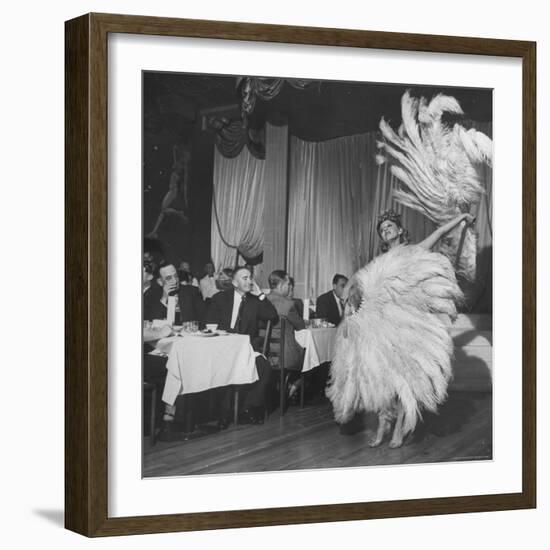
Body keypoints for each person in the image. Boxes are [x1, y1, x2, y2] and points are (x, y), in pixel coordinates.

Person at [326, 209, 472, 447]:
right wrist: (347, 302)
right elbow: (355, 279)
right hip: (381, 323)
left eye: (389, 227)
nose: (386, 231)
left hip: (406, 322)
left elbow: (441, 231)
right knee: (383, 376)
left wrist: (462, 218)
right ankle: (383, 424)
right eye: (382, 230)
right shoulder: (379, 262)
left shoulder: (414, 251)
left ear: (400, 229)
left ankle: (401, 428)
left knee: (404, 376)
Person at [206, 266, 279, 426]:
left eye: (250, 278)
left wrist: (260, 295)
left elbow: (272, 316)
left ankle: (248, 408)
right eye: (244, 278)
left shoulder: (255, 301)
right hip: (223, 346)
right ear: (234, 282)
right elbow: (210, 324)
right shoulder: (220, 298)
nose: (249, 281)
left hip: (246, 348)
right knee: (224, 366)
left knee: (264, 367)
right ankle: (224, 412)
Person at [267, 270, 306, 399]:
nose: (289, 287)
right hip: (285, 356)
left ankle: (286, 388)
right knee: (314, 356)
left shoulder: (262, 301)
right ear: (282, 284)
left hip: (266, 354)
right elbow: (301, 326)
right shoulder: (288, 304)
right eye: (288, 284)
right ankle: (293, 387)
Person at [146, 148, 190, 239]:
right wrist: (174, 151)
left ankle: (179, 214)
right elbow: (175, 159)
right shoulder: (178, 167)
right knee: (162, 211)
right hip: (171, 191)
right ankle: (154, 232)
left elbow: (183, 183)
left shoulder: (181, 170)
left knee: (163, 209)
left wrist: (185, 198)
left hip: (172, 191)